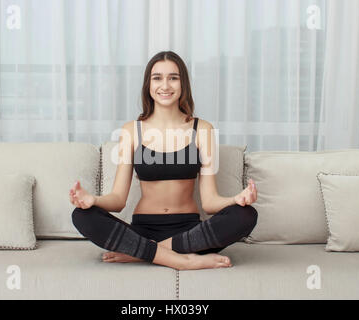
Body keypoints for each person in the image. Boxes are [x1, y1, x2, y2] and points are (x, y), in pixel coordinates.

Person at [70, 51, 258, 270]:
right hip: (143, 229)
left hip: (190, 233)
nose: (165, 85)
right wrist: (92, 200)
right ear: (148, 85)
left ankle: (146, 252)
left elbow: (209, 202)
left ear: (183, 84)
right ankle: (183, 260)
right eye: (157, 77)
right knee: (82, 216)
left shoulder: (202, 130)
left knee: (246, 215)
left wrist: (238, 199)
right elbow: (118, 199)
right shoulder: (132, 131)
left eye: (173, 78)